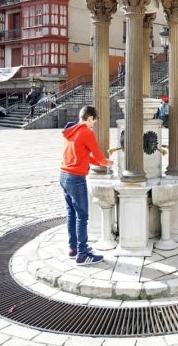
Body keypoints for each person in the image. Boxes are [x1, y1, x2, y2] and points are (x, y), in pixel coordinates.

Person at [59, 105, 113, 265]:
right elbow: (99, 156)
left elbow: (82, 155)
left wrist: (99, 161)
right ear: (90, 118)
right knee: (82, 216)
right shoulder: (86, 132)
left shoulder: (71, 131)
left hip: (63, 175)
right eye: (93, 122)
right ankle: (82, 255)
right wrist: (108, 163)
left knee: (71, 214)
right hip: (76, 178)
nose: (93, 125)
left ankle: (73, 248)